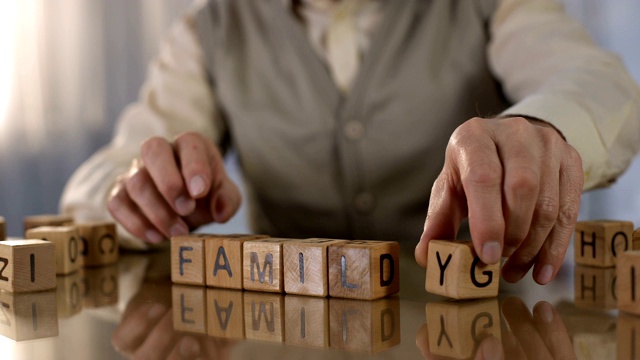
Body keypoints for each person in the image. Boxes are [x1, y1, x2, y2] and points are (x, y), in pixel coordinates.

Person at [60, 0, 640, 286]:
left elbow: (603, 84)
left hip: (484, 334)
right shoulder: (209, 26)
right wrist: (140, 185)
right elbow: (111, 170)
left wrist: (544, 128)